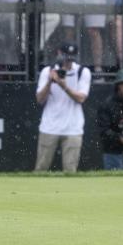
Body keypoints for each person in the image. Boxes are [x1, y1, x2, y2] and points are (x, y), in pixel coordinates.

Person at [34, 42, 90, 173]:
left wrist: (64, 86)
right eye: (66, 57)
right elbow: (40, 99)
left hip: (73, 128)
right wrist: (50, 82)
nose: (68, 61)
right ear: (59, 54)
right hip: (49, 126)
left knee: (70, 171)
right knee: (41, 168)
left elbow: (81, 98)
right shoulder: (47, 71)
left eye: (71, 57)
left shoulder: (83, 72)